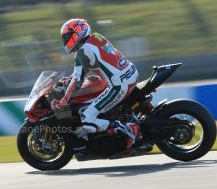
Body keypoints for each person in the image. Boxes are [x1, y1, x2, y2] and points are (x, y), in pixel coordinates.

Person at [51, 18, 149, 151]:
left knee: (87, 117)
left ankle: (130, 130)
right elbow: (104, 61)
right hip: (131, 73)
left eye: (67, 37)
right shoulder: (97, 37)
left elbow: (76, 80)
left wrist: (64, 100)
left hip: (119, 85)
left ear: (78, 32)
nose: (66, 40)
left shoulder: (82, 53)